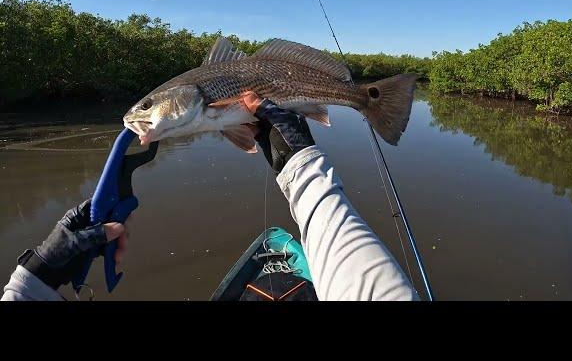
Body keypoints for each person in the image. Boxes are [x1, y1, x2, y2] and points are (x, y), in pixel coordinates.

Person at [2, 93, 419, 301]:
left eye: (149, 105)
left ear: (188, 98)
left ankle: (367, 97)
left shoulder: (208, 98)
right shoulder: (199, 108)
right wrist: (303, 164)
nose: (137, 116)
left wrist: (34, 277)